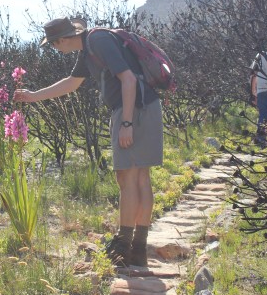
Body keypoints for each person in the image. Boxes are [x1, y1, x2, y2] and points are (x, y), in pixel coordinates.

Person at [13, 17, 163, 267]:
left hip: (135, 109)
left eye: (53, 44)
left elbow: (129, 80)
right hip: (139, 107)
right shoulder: (88, 48)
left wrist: (126, 123)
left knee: (131, 178)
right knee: (134, 178)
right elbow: (72, 83)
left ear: (62, 39)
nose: (54, 49)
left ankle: (126, 245)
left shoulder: (98, 40)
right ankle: (135, 249)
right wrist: (33, 97)